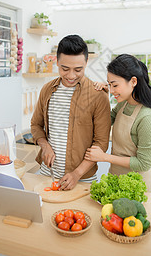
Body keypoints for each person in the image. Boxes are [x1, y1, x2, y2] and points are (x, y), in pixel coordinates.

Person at [31, 35, 111, 190]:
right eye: (65, 69)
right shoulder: (47, 90)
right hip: (47, 173)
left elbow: (101, 144)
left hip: (82, 180)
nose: (71, 76)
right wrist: (45, 145)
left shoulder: (97, 95)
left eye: (78, 69)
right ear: (57, 62)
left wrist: (77, 174)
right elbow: (35, 125)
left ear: (87, 63)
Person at [84, 54, 151, 192]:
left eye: (115, 85)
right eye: (109, 84)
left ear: (133, 81)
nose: (111, 90)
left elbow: (143, 163)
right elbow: (105, 121)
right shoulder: (123, 104)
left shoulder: (147, 118)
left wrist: (104, 157)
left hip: (136, 187)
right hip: (115, 180)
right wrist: (102, 96)